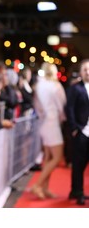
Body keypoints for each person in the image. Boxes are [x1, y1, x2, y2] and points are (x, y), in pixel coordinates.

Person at [30, 62, 66, 199]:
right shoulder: (56, 86)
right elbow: (62, 106)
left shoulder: (39, 86)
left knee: (48, 157)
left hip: (43, 123)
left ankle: (45, 188)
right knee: (57, 157)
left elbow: (37, 106)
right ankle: (37, 185)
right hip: (52, 122)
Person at [66, 59, 89, 205]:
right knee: (78, 164)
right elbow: (69, 109)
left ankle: (76, 190)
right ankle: (77, 191)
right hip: (81, 132)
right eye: (85, 69)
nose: (87, 72)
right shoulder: (76, 88)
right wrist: (74, 129)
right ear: (81, 72)